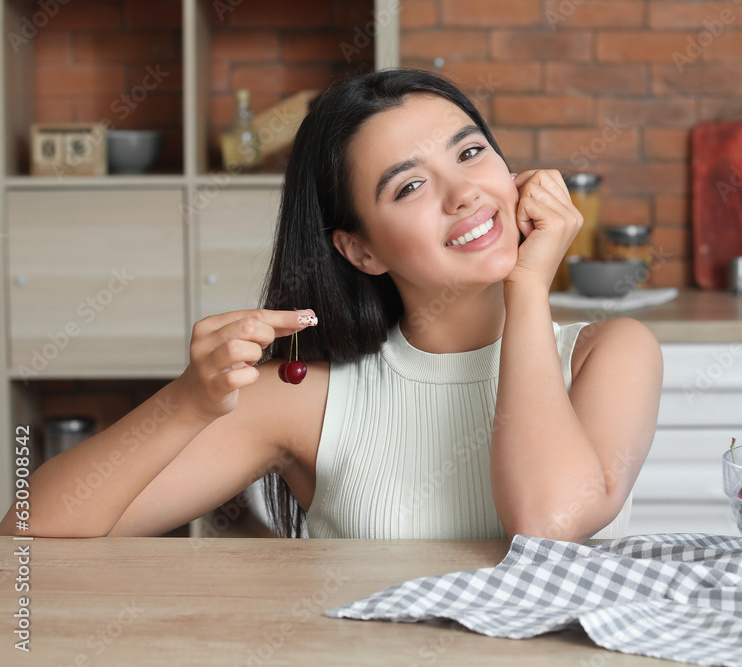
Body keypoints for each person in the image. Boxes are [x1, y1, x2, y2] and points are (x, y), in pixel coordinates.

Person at [1, 69, 662, 542]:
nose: (464, 192)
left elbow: (547, 526)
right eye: (409, 186)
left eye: (470, 152)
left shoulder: (611, 354)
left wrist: (526, 289)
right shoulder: (305, 394)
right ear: (361, 250)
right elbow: (26, 538)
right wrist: (188, 401)